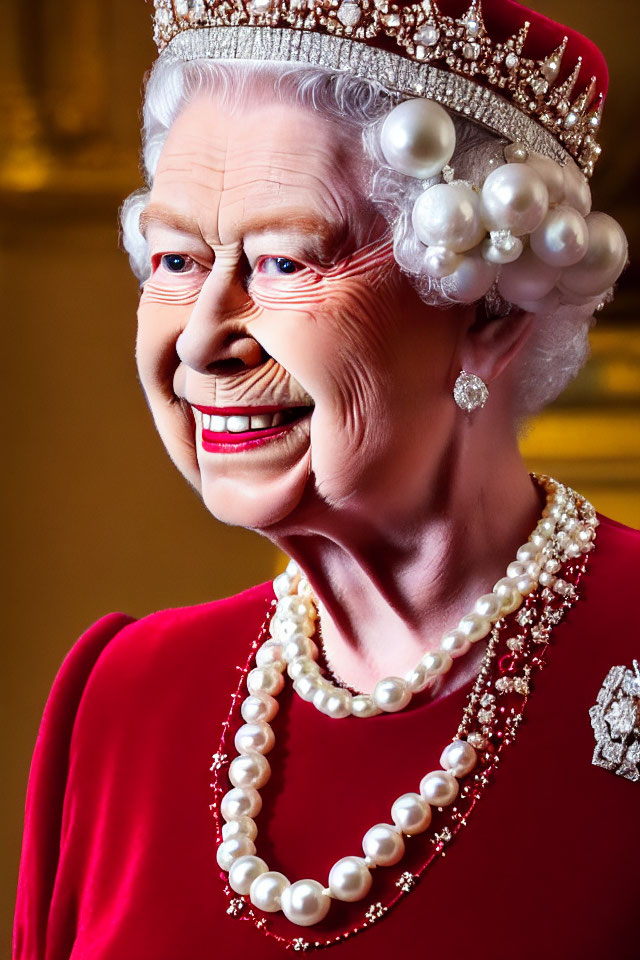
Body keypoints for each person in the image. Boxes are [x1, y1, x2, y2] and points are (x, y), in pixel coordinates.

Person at [13, 0, 639, 957]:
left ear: (489, 313)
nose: (197, 336)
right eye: (176, 259)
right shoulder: (122, 697)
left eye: (280, 261)